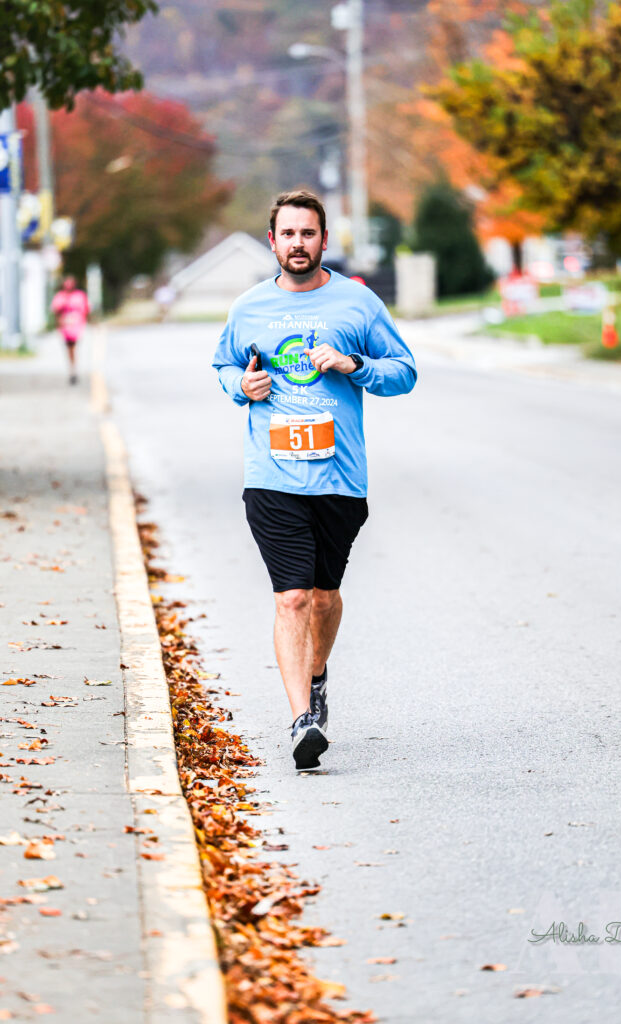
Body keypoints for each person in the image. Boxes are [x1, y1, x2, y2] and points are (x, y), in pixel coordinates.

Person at [212, 189, 417, 770]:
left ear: (324, 241)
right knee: (292, 596)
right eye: (287, 234)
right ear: (271, 241)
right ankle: (303, 719)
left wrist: (355, 366)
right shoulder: (248, 308)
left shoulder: (358, 303)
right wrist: (240, 387)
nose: (297, 244)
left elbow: (404, 373)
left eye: (308, 234)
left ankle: (317, 674)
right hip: (271, 475)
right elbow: (224, 365)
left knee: (324, 596)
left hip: (339, 478)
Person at [51, 276, 90, 385]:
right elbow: (55, 310)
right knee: (70, 348)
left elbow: (86, 309)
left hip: (77, 325)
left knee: (74, 347)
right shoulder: (60, 296)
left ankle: (74, 368)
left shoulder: (80, 296)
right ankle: (73, 369)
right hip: (65, 325)